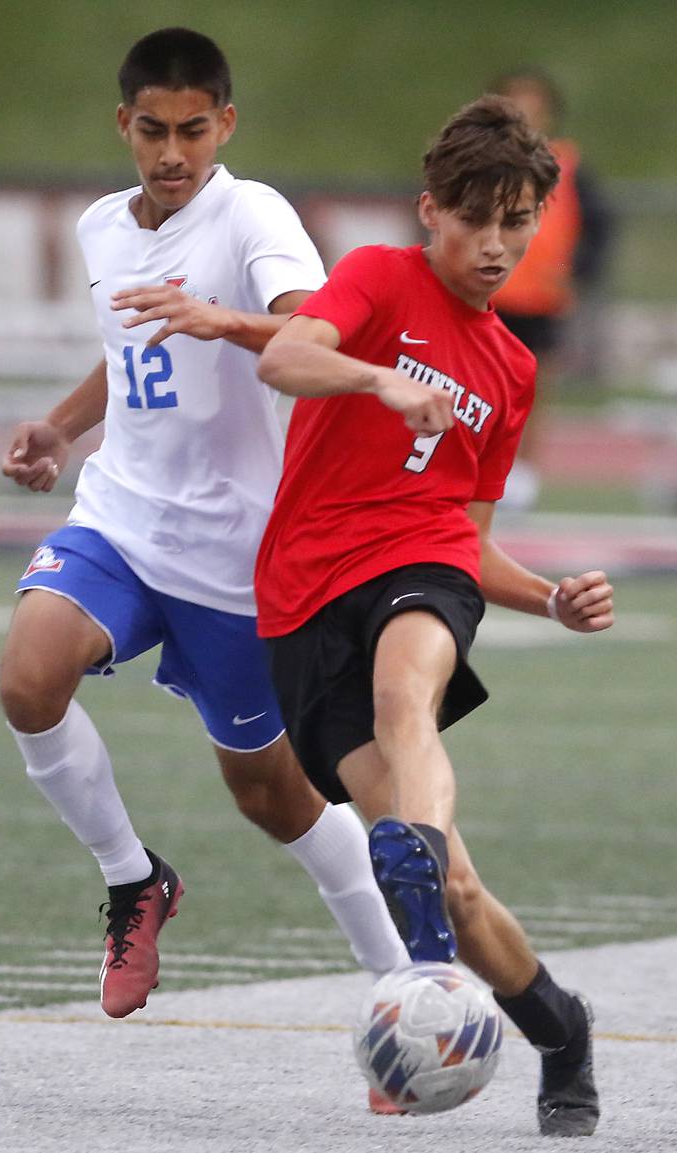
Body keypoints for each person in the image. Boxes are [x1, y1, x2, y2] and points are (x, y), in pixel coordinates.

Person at [0, 26, 411, 1044]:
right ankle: (132, 879)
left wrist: (223, 319)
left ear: (224, 123)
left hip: (236, 556)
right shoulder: (103, 226)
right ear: (123, 125)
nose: (172, 152)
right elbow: (125, 345)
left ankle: (405, 983)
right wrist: (59, 426)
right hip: (120, 518)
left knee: (270, 795)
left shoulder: (249, 213)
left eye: (193, 130)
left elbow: (322, 332)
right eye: (152, 130)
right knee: (26, 677)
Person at [255, 95, 614, 1136]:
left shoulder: (510, 369)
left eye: (519, 222)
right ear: (430, 213)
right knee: (457, 888)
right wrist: (374, 380)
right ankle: (557, 1024)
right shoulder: (376, 276)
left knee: (401, 694)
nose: (498, 245)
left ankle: (409, 904)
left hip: (418, 567)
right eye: (478, 222)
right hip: (302, 595)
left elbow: (466, 536)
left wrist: (547, 595)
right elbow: (283, 357)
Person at [490, 69, 614, 510]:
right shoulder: (480, 161)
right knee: (478, 383)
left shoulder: (568, 165)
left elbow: (599, 227)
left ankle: (524, 476)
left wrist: (578, 272)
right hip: (488, 295)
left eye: (534, 102)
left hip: (540, 298)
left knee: (535, 389)